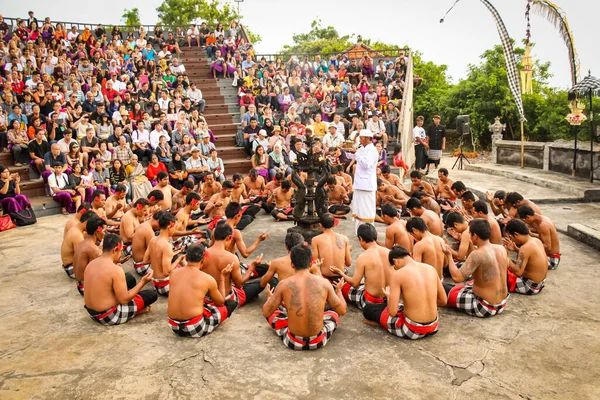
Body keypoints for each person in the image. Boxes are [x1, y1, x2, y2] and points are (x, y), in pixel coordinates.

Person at [262, 243, 347, 351]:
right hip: (318, 341)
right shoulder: (324, 283)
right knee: (333, 314)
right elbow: (342, 310)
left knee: (274, 313)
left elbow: (266, 312)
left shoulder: (283, 284)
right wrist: (338, 291)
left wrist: (270, 298)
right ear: (311, 263)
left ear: (292, 264)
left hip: (293, 341)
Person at [363, 245, 447, 339]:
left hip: (412, 330)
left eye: (394, 267)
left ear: (395, 261)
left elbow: (392, 312)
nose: (395, 269)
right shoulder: (430, 268)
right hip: (433, 326)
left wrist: (389, 297)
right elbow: (443, 301)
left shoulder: (399, 275)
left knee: (369, 309)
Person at [84, 233, 157, 325]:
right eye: (121, 251)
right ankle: (137, 311)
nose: (121, 253)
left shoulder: (91, 264)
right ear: (115, 250)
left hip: (92, 313)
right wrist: (143, 282)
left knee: (129, 278)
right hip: (108, 315)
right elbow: (124, 299)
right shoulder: (115, 270)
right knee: (151, 295)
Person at [167, 243, 238, 338]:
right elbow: (221, 302)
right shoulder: (207, 278)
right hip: (195, 328)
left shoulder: (174, 273)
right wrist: (222, 277)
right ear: (203, 260)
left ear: (186, 258)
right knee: (231, 304)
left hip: (174, 326)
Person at [445, 219, 509, 318]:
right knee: (466, 283)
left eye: (470, 234)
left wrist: (449, 256)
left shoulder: (477, 254)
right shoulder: (501, 249)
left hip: (484, 306)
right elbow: (477, 264)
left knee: (445, 289)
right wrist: (470, 245)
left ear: (475, 236)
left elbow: (457, 278)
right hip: (502, 303)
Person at [204, 223, 266, 308]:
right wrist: (252, 266)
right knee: (264, 281)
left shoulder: (203, 254)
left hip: (206, 297)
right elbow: (239, 284)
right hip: (226, 298)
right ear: (229, 238)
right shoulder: (231, 258)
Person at [330, 224, 390, 310]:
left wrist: (340, 273)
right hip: (388, 299)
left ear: (361, 239)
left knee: (344, 286)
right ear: (376, 235)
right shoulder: (389, 252)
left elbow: (355, 283)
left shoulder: (363, 257)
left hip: (370, 301)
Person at [143, 212, 185, 296]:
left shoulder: (153, 240)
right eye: (175, 228)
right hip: (165, 286)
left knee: (180, 266)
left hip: (155, 283)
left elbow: (145, 260)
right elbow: (166, 272)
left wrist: (158, 258)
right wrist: (179, 259)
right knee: (188, 270)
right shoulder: (166, 246)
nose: (175, 230)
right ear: (169, 227)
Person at [503, 219, 548, 295]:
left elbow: (518, 272)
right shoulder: (536, 240)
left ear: (516, 234)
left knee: (497, 270)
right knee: (510, 264)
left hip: (529, 286)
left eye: (511, 237)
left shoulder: (525, 248)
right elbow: (531, 256)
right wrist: (516, 249)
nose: (512, 240)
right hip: (539, 284)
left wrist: (506, 258)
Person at [351, 129, 379, 233]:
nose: (360, 140)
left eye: (361, 138)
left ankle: (368, 232)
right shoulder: (362, 148)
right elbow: (356, 157)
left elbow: (366, 164)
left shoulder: (372, 150)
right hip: (359, 184)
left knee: (366, 210)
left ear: (367, 139)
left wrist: (356, 153)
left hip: (367, 185)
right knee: (359, 209)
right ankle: (360, 231)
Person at [312, 213, 352, 283]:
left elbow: (316, 263)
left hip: (325, 278)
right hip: (340, 277)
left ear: (320, 225)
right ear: (334, 224)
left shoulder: (316, 240)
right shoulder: (344, 238)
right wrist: (347, 250)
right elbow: (348, 263)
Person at [517, 206, 561, 270]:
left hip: (552, 260)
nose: (526, 222)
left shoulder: (543, 225)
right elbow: (544, 237)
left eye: (524, 220)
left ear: (528, 217)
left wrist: (528, 247)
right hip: (550, 256)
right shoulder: (544, 218)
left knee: (524, 260)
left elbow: (548, 246)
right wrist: (531, 234)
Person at [73, 217, 105, 295]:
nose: (104, 233)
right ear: (97, 232)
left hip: (80, 284)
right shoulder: (93, 249)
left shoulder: (82, 243)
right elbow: (101, 269)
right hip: (86, 288)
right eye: (103, 231)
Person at [61, 210, 97, 279]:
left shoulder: (77, 229)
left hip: (72, 265)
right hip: (72, 269)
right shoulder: (77, 235)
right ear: (86, 223)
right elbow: (81, 256)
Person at [131, 211, 163, 276]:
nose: (160, 228)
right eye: (161, 225)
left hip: (138, 264)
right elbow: (154, 254)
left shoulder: (145, 224)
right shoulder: (149, 231)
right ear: (158, 221)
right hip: (142, 267)